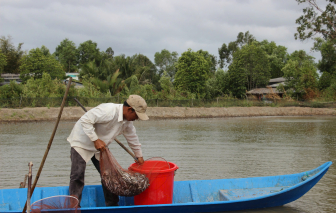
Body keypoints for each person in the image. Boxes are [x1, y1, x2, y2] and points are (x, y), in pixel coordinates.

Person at [67, 95, 149, 207]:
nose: (137, 118)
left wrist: (139, 155)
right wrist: (95, 140)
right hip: (82, 142)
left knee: (109, 176)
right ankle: (74, 207)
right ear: (130, 109)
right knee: (77, 175)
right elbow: (85, 120)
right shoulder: (108, 111)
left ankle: (112, 205)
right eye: (137, 115)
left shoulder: (128, 122)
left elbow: (132, 137)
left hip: (100, 147)